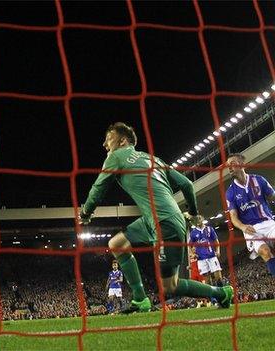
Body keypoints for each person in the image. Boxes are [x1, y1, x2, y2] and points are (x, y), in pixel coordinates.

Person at [78, 122, 233, 313]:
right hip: (157, 219)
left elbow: (98, 187)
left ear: (123, 141)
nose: (105, 144)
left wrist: (86, 212)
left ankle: (221, 292)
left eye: (109, 139)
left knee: (170, 286)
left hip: (164, 223)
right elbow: (187, 184)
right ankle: (140, 299)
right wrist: (193, 213)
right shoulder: (154, 159)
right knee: (116, 244)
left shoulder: (116, 156)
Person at [225, 153, 275, 277]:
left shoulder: (259, 180)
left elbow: (272, 196)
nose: (229, 168)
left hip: (268, 223)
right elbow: (233, 217)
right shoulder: (230, 192)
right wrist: (242, 227)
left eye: (232, 164)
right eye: (227, 166)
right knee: (265, 252)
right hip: (250, 229)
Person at [188, 215, 223, 286]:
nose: (198, 221)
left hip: (212, 256)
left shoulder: (210, 229)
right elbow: (189, 245)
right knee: (207, 281)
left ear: (202, 219)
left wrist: (218, 251)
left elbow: (216, 241)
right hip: (201, 259)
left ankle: (222, 294)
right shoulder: (193, 233)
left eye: (199, 218)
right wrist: (192, 254)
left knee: (218, 277)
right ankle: (212, 297)